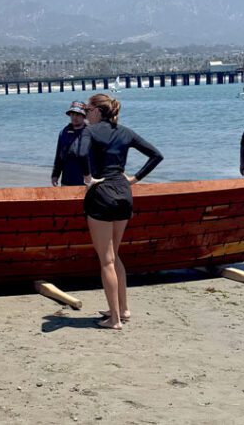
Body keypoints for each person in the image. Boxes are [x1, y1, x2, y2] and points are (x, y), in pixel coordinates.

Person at [77, 93, 163, 330]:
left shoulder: (89, 131)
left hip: (102, 192)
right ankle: (122, 309)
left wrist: (87, 177)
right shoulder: (125, 131)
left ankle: (114, 319)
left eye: (87, 109)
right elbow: (156, 155)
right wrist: (134, 179)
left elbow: (81, 154)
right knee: (115, 254)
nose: (85, 113)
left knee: (106, 260)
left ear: (96, 111)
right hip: (124, 193)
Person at [51, 101, 88, 186]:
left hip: (86, 182)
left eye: (78, 114)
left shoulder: (90, 132)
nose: (75, 117)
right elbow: (58, 156)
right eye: (72, 114)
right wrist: (55, 174)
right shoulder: (64, 132)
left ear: (84, 116)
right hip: (67, 181)